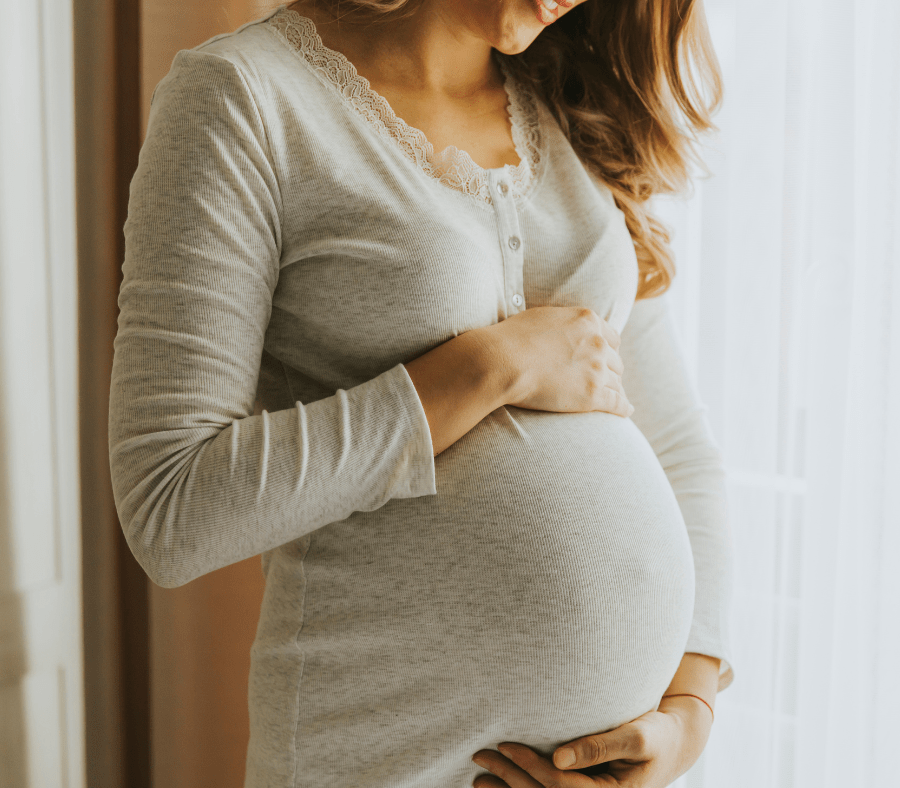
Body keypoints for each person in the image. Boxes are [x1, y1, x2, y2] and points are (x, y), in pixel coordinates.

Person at [108, 0, 736, 785]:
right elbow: (170, 507)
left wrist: (687, 715)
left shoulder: (571, 100)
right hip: (377, 756)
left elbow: (679, 451)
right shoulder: (245, 98)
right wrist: (483, 372)